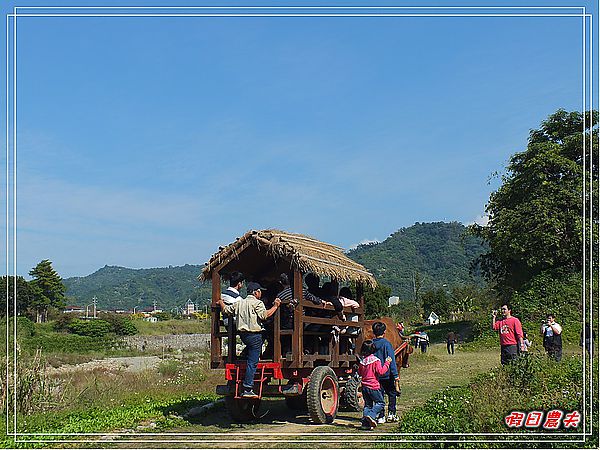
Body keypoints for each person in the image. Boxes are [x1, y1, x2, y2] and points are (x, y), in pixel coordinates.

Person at [218, 281, 281, 398]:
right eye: (260, 291)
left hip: (243, 336)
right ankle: (247, 388)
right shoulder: (258, 303)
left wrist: (221, 302)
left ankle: (244, 354)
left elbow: (226, 310)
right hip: (254, 335)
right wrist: (275, 306)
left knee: (253, 349)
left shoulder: (240, 303)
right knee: (252, 362)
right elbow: (264, 315)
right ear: (256, 292)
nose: (261, 293)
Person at [357, 339, 392, 430]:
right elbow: (381, 372)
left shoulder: (362, 362)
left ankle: (365, 423)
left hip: (364, 386)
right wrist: (387, 363)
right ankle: (372, 416)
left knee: (367, 405)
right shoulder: (376, 360)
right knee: (380, 403)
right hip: (374, 386)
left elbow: (360, 373)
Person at [371, 321, 400, 423]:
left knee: (379, 396)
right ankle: (391, 414)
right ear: (384, 332)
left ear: (374, 332)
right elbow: (390, 360)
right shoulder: (387, 344)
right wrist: (395, 375)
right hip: (387, 374)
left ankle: (381, 416)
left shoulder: (371, 344)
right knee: (392, 394)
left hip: (375, 375)